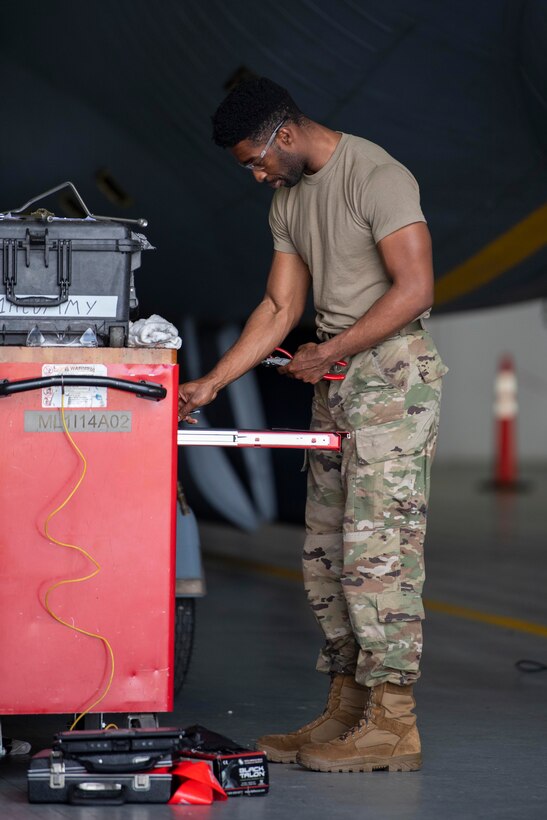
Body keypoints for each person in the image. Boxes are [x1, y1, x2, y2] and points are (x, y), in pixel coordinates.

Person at [178, 77, 447, 774]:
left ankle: (394, 723)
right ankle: (347, 707)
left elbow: (415, 288)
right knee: (327, 555)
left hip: (392, 380)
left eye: (255, 160)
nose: (256, 174)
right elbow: (277, 304)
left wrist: (330, 348)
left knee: (377, 552)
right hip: (337, 382)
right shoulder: (288, 199)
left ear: (285, 136)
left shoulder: (377, 175)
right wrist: (211, 382)